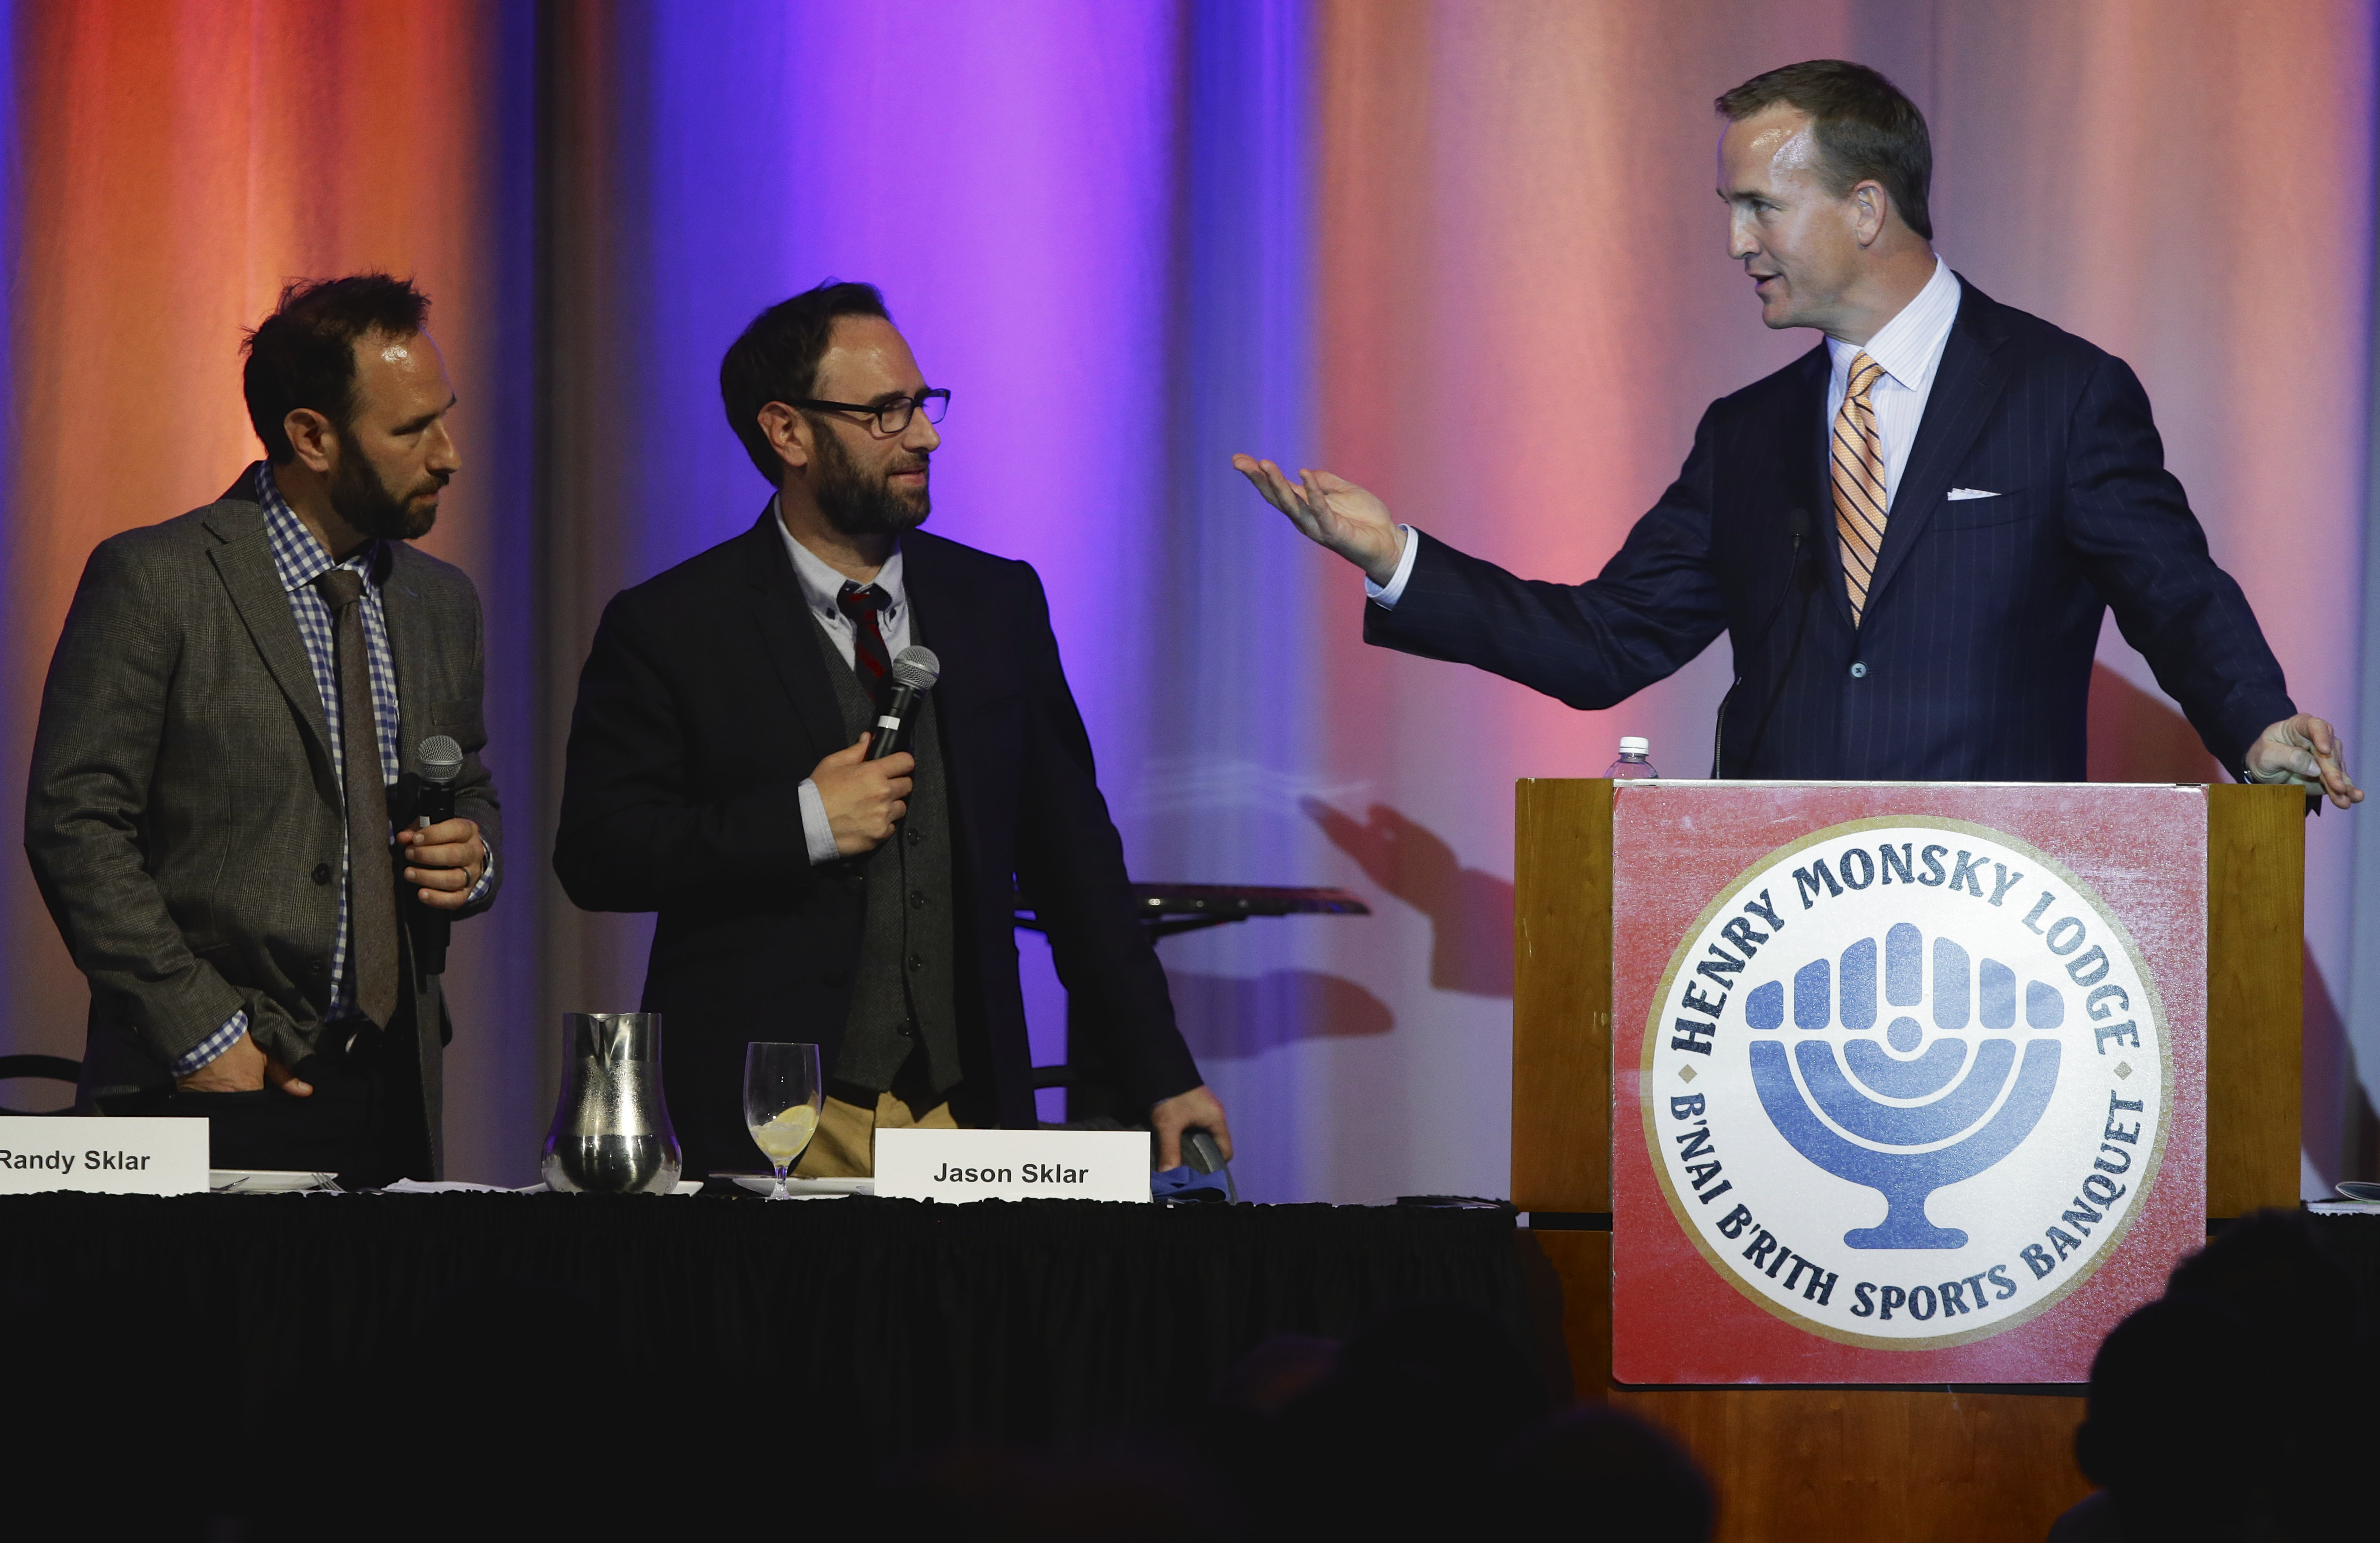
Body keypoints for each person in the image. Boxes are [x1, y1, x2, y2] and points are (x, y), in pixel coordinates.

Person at [1236, 59, 2361, 804]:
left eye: (1758, 207)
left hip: (2000, 916)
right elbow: (1603, 646)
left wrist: (2254, 724)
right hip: (1775, 922)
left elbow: (2172, 589)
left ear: (1864, 207)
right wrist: (1396, 562)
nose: (1734, 242)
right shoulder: (1747, 434)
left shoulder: (2059, 393)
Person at [553, 281, 1230, 1180]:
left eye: (920, 404)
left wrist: (1162, 1074)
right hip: (774, 1118)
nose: (925, 435)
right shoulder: (675, 624)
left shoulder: (996, 605)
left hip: (963, 1108)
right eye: (884, 412)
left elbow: (1077, 868)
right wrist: (802, 822)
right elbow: (600, 853)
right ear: (787, 432)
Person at [24, 274, 501, 1184]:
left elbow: (467, 781)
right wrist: (202, 1033)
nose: (449, 455)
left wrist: (476, 859)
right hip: (202, 1085)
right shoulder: (158, 578)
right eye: (410, 430)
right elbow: (75, 823)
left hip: (388, 1089)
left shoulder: (443, 603)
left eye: (443, 416)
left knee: (375, 1329)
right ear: (312, 437)